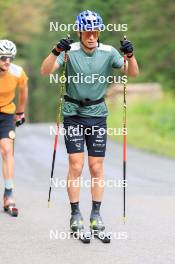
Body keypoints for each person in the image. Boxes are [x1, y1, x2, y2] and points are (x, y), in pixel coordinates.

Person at [41, 10, 139, 232]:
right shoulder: (69, 51)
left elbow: (132, 73)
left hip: (97, 116)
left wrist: (130, 56)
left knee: (96, 166)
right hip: (73, 115)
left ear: (99, 31)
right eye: (87, 32)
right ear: (79, 32)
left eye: (95, 31)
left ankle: (96, 213)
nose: (91, 36)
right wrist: (56, 50)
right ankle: (75, 213)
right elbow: (46, 70)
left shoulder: (108, 52)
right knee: (76, 165)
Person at [0, 40, 28, 216]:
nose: (7, 61)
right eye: (3, 58)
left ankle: (9, 194)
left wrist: (20, 112)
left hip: (6, 114)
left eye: (10, 58)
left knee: (6, 149)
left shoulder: (17, 72)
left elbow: (23, 91)